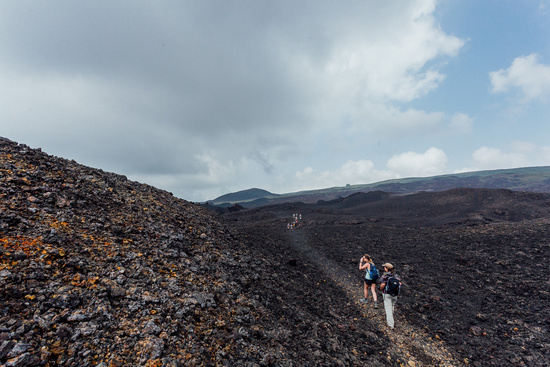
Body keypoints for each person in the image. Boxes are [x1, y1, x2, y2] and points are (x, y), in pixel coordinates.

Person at [379, 263, 402, 329]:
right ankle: (391, 318)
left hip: (387, 294)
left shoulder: (385, 276)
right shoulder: (396, 275)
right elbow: (400, 283)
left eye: (384, 267)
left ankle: (390, 325)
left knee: (388, 309)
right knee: (392, 306)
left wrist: (380, 289)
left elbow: (383, 284)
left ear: (386, 268)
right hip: (395, 294)